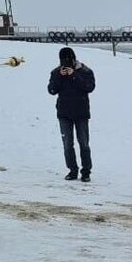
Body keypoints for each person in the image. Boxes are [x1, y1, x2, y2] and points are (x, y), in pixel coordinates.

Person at [47, 47, 95, 182]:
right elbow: (52, 90)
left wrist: (74, 75)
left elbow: (89, 87)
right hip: (64, 113)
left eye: (68, 60)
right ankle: (72, 170)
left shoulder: (85, 71)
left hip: (81, 113)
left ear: (74, 60)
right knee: (68, 144)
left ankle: (86, 171)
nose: (66, 64)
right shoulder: (56, 72)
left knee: (84, 144)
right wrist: (59, 77)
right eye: (63, 61)